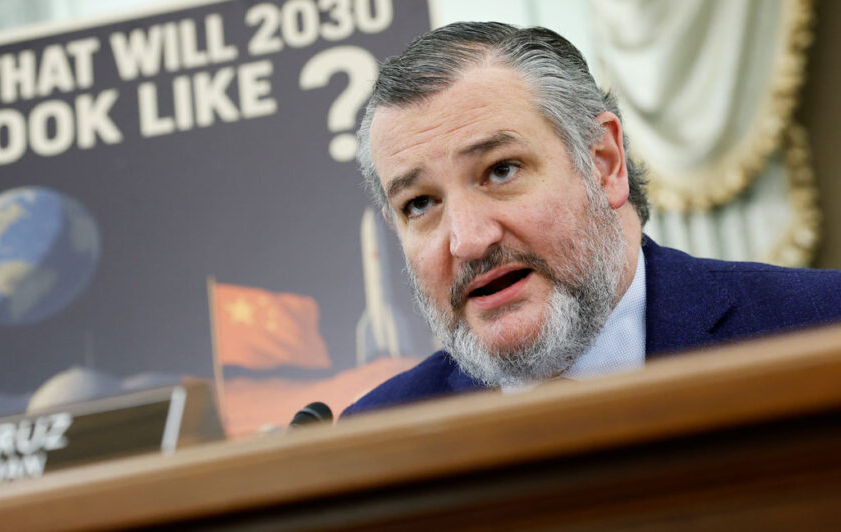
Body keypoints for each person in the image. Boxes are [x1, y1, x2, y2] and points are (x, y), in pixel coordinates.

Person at [342, 21, 841, 417]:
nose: (469, 241)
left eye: (501, 170)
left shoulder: (821, 328)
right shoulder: (372, 434)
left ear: (604, 162)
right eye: (421, 204)